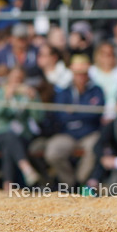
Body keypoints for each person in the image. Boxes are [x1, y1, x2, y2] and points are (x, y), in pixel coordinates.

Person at [44, 56, 104, 187]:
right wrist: (84, 111)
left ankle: (80, 181)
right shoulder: (64, 92)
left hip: (89, 133)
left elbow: (95, 114)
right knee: (53, 152)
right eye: (78, 74)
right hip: (68, 134)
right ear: (72, 74)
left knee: (95, 148)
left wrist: (74, 111)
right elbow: (60, 116)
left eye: (83, 73)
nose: (81, 77)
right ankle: (70, 183)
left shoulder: (96, 90)